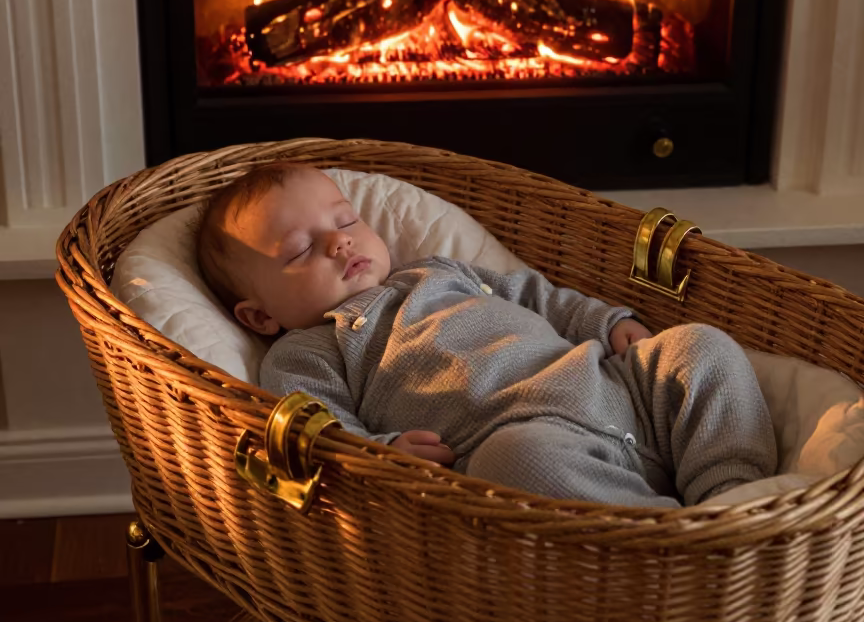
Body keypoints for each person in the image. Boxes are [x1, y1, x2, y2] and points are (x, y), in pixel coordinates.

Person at [196, 161, 777, 507]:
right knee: (515, 464)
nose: (339, 242)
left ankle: (732, 506)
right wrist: (380, 453)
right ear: (258, 317)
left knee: (699, 346)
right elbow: (317, 423)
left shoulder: (439, 270)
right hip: (519, 438)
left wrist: (607, 321)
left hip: (611, 384)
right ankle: (673, 547)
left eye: (346, 221)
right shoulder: (307, 349)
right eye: (301, 250)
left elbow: (537, 295)